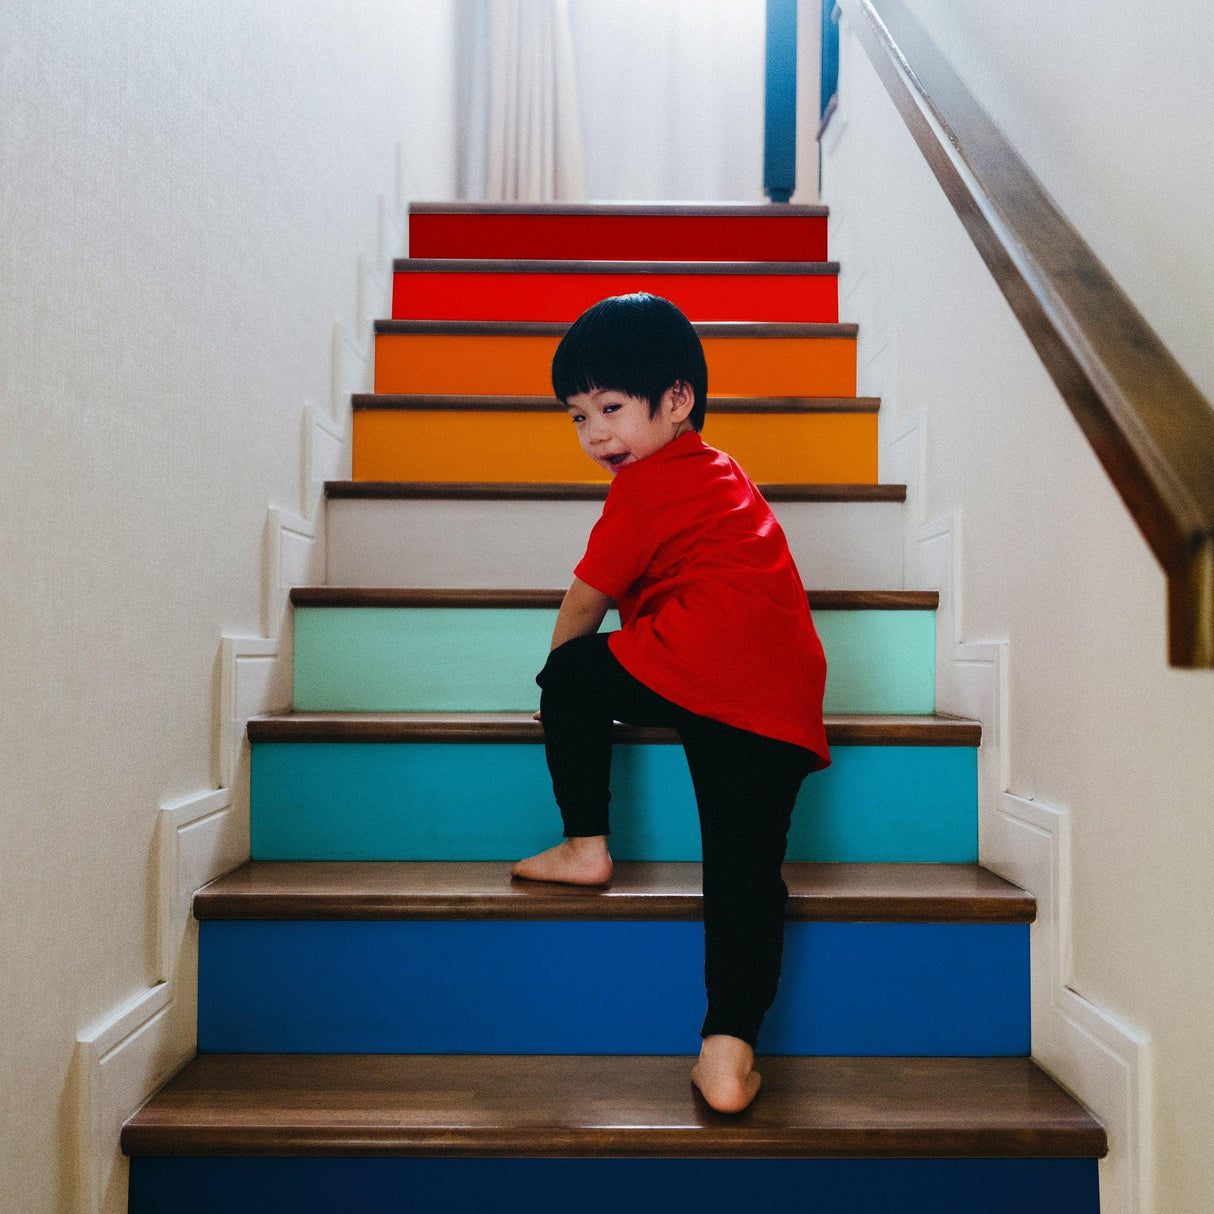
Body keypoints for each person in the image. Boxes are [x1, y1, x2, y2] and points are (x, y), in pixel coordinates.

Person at [512, 293, 830, 1114]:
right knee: (745, 874)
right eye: (578, 418)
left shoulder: (646, 486)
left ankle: (586, 846)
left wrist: (558, 694)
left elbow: (584, 604)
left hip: (699, 657)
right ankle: (726, 1058)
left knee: (574, 672)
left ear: (678, 400)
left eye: (611, 409)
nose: (595, 436)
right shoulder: (726, 477)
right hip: (784, 690)